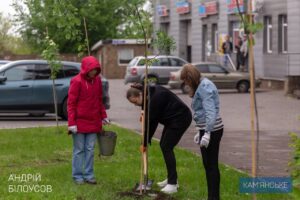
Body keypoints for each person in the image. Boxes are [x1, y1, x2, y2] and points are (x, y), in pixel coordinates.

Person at [126, 83, 192, 194]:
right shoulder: (148, 92)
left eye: (135, 102)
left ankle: (173, 184)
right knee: (164, 145)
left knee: (167, 147)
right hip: (171, 120)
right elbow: (148, 116)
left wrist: (145, 143)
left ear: (140, 95)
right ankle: (171, 178)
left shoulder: (154, 99)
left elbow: (151, 123)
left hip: (180, 118)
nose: (136, 105)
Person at [180, 64, 224, 200]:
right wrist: (199, 130)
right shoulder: (202, 85)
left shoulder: (204, 87)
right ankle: (212, 196)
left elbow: (210, 112)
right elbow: (202, 112)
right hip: (206, 128)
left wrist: (207, 133)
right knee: (208, 164)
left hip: (212, 129)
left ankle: (214, 197)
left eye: (186, 81)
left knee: (211, 165)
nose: (186, 84)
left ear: (190, 78)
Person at [68, 56, 109, 185]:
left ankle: (89, 175)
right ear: (86, 69)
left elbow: (99, 100)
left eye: (96, 70)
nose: (94, 72)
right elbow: (71, 104)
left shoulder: (97, 81)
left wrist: (104, 115)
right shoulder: (76, 81)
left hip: (93, 121)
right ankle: (78, 176)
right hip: (79, 123)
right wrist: (72, 123)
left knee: (90, 149)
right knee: (79, 150)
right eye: (92, 70)